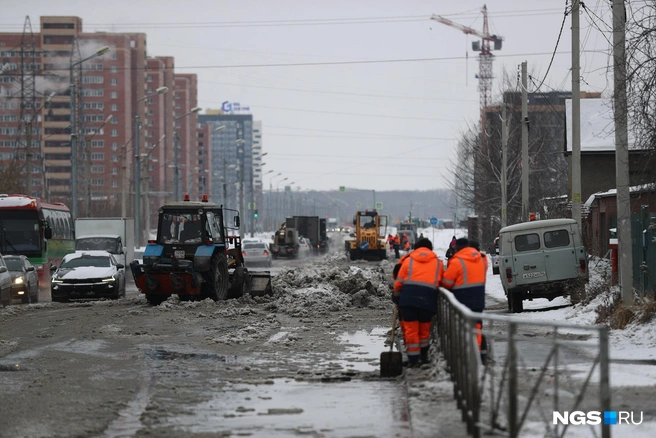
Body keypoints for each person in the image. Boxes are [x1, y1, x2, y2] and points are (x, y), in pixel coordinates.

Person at [393, 238, 444, 368]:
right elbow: (442, 282)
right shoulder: (438, 263)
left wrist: (396, 297)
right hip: (428, 301)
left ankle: (413, 359)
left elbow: (399, 282)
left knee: (411, 330)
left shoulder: (408, 260)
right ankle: (424, 356)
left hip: (408, 300)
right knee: (424, 331)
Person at [440, 237, 488, 363]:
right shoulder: (481, 258)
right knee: (477, 325)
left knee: (461, 327)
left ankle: (465, 355)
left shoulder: (457, 261)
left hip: (462, 298)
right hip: (478, 297)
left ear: (456, 248)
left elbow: (446, 282)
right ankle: (479, 354)